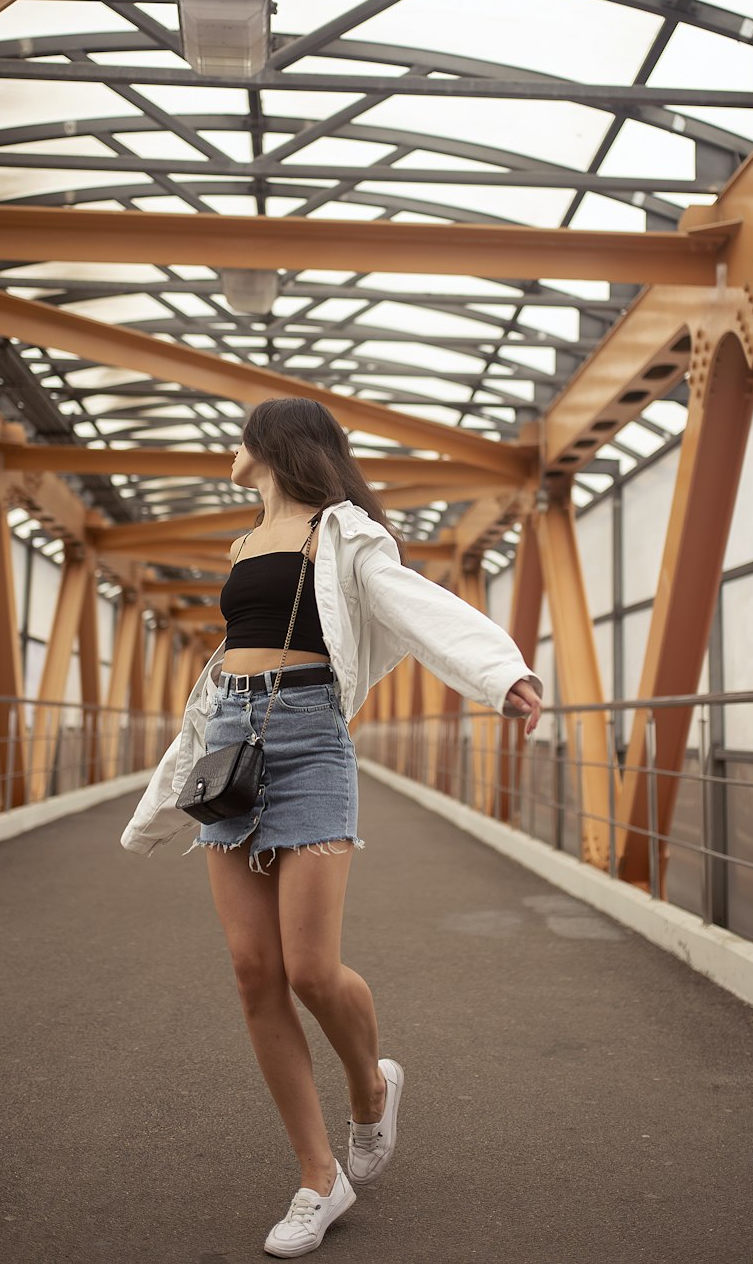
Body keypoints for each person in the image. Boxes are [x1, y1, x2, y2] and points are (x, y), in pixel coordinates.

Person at [121, 396, 542, 1258]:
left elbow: (416, 605)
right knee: (252, 970)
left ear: (272, 444)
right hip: (231, 742)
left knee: (311, 968)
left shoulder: (344, 533)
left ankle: (371, 1090)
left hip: (311, 744)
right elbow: (227, 659)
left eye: (239, 435)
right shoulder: (241, 543)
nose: (229, 450)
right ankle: (320, 1177)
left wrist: (501, 675)